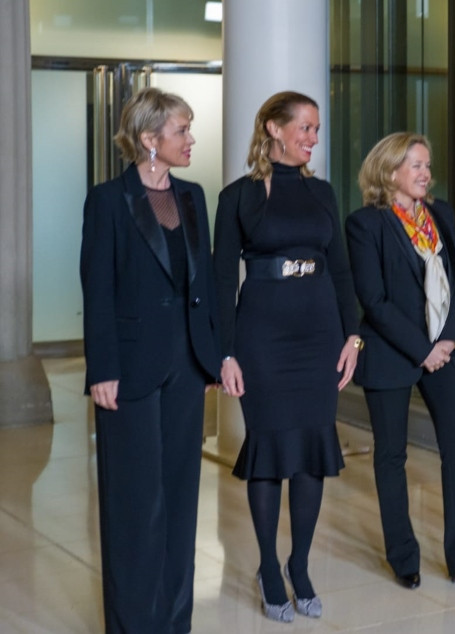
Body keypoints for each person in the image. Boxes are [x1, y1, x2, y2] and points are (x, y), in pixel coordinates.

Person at [213, 91, 360, 622]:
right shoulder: (240, 196)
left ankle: (300, 565)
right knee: (271, 448)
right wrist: (224, 354)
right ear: (274, 128)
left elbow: (341, 270)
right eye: (305, 128)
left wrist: (353, 337)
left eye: (317, 130)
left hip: (319, 331)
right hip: (263, 335)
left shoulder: (322, 192)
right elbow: (221, 279)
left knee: (313, 448)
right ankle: (269, 568)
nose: (313, 139)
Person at [80, 87, 221, 634]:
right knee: (134, 506)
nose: (190, 139)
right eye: (182, 130)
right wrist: (102, 370)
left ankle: (173, 622)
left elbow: (202, 283)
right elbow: (98, 290)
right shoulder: (108, 200)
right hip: (130, 374)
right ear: (149, 139)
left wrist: (209, 357)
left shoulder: (192, 197)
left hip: (186, 370)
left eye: (189, 129)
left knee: (182, 503)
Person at [345, 132, 455, 588]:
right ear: (390, 171)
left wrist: (447, 342)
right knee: (391, 456)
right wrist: (423, 349)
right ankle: (404, 557)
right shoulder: (364, 224)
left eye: (428, 165)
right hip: (393, 353)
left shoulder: (441, 214)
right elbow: (374, 299)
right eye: (416, 166)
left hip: (444, 351)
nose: (426, 174)